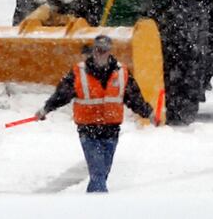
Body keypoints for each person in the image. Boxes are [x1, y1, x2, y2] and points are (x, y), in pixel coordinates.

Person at [35, 34, 159, 193]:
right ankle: (100, 207)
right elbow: (62, 95)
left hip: (111, 131)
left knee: (102, 173)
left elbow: (134, 98)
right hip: (88, 130)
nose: (100, 53)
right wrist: (46, 109)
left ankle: (92, 205)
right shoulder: (78, 72)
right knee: (98, 172)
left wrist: (149, 114)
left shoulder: (122, 73)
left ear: (109, 51)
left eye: (104, 50)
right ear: (93, 51)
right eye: (97, 50)